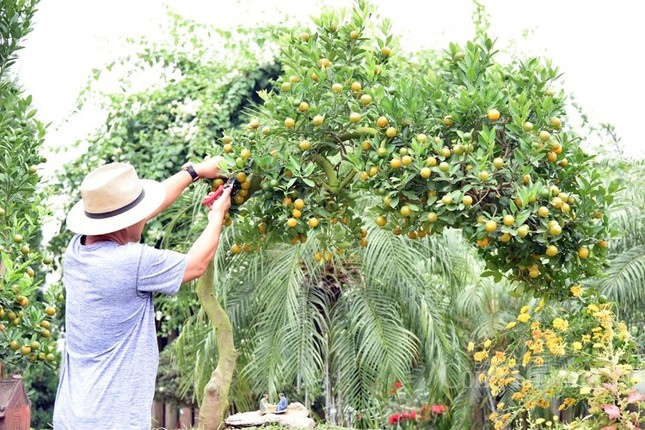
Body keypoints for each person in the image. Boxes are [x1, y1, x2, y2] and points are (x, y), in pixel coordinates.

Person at [52, 158, 232, 429]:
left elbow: (138, 212)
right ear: (123, 222)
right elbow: (195, 265)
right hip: (112, 420)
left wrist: (193, 172)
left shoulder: (76, 250)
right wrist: (216, 216)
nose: (146, 218)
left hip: (71, 416)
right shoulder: (131, 262)